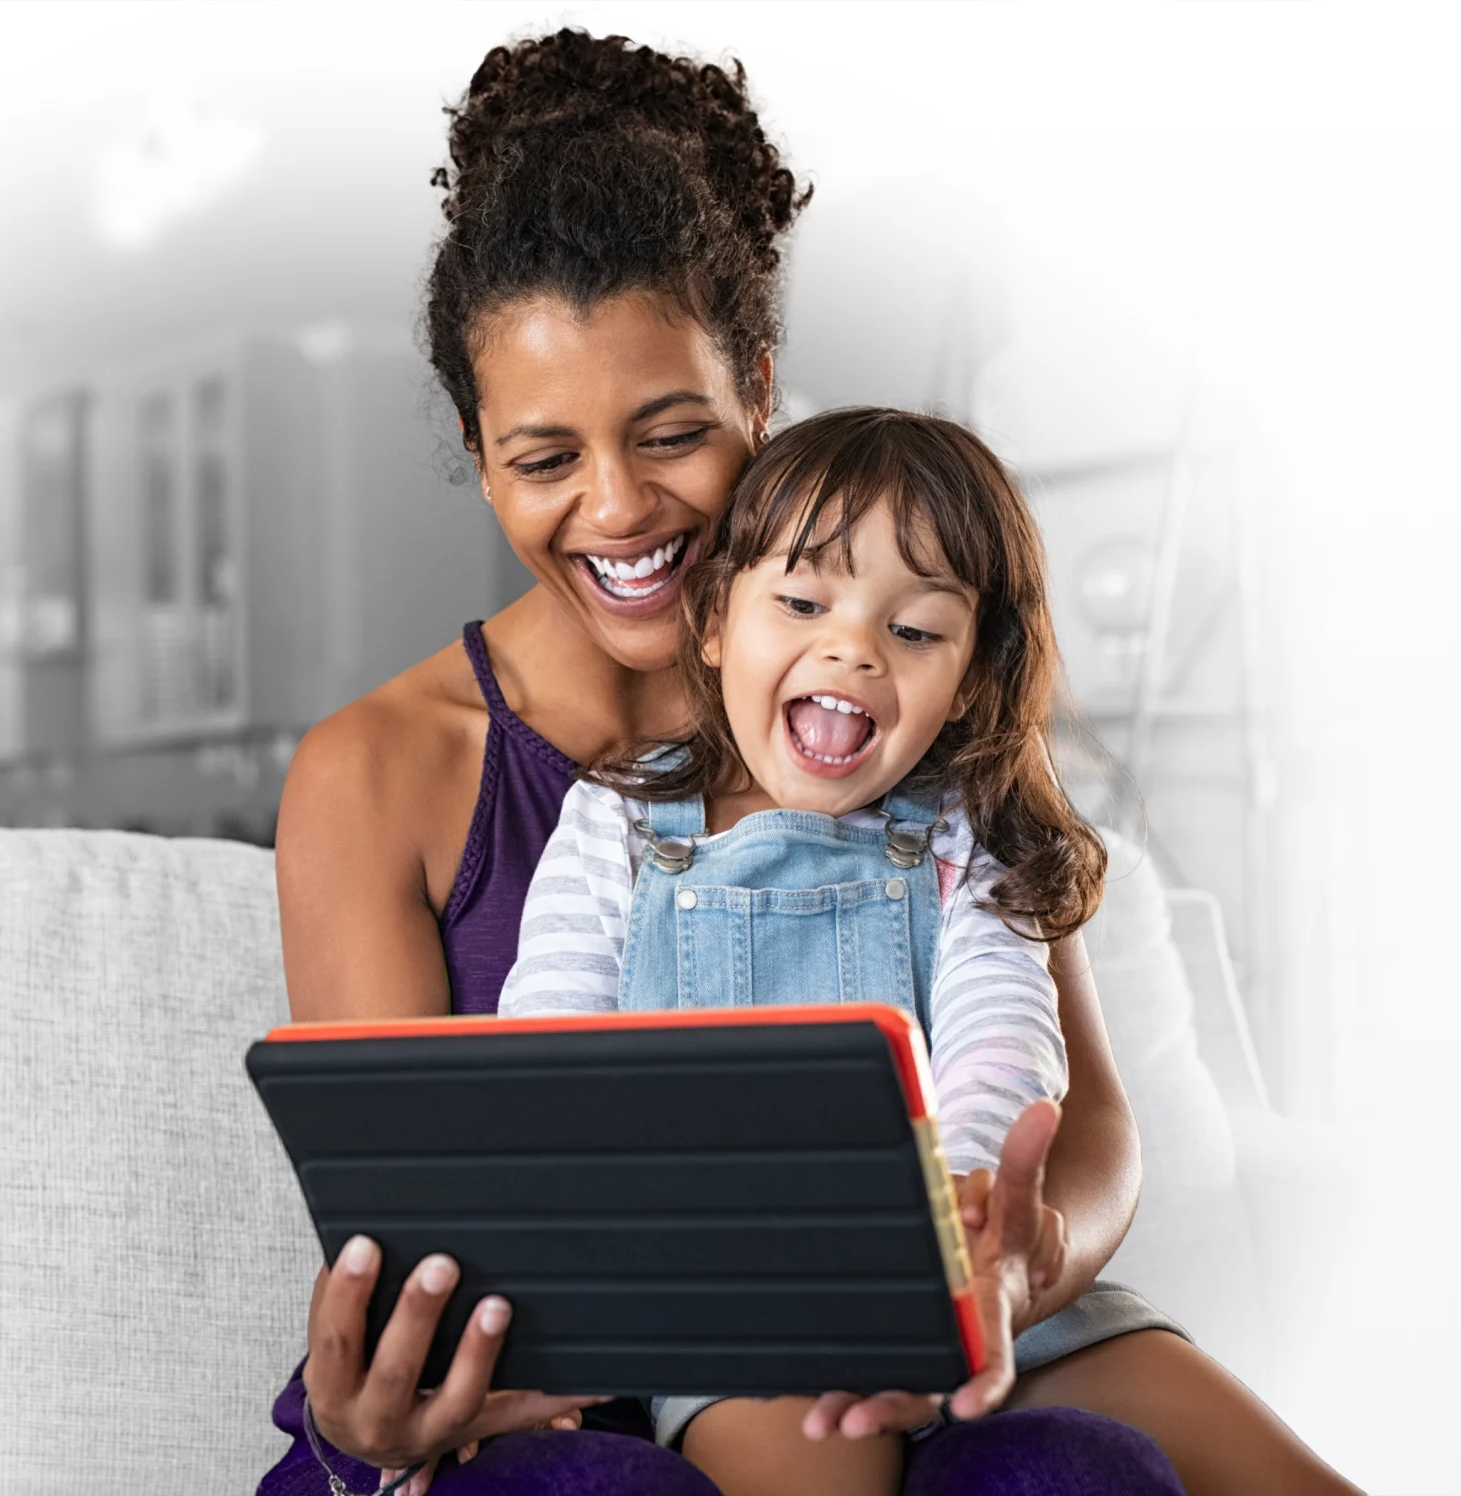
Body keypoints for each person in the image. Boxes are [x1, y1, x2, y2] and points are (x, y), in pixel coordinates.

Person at [261, 27, 1359, 1496]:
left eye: (674, 434)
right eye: (542, 460)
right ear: (478, 448)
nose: (619, 510)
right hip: (621, 1356)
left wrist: (1010, 1268)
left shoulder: (912, 707)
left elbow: (1082, 1115)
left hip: (970, 1310)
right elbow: (424, 1206)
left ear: (759, 388)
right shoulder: (384, 770)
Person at [496, 405, 1154, 1487]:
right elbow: (544, 1070)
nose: (851, 645)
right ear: (714, 620)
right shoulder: (614, 822)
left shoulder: (962, 830)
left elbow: (1006, 1046)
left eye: (916, 628)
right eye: (802, 601)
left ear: (973, 679)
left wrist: (951, 1240)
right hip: (750, 1309)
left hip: (981, 1280)